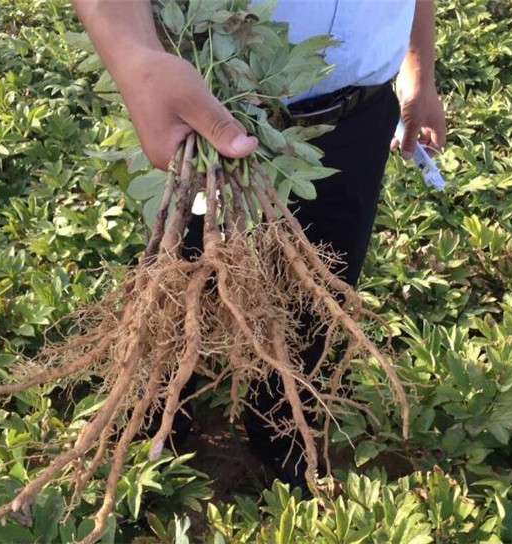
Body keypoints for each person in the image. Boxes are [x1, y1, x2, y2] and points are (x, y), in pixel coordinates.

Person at [71, 0, 447, 489]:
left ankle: (282, 426)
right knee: (181, 284)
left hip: (361, 116)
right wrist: (132, 54)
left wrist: (421, 72)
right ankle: (153, 417)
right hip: (212, 108)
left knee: (320, 289)